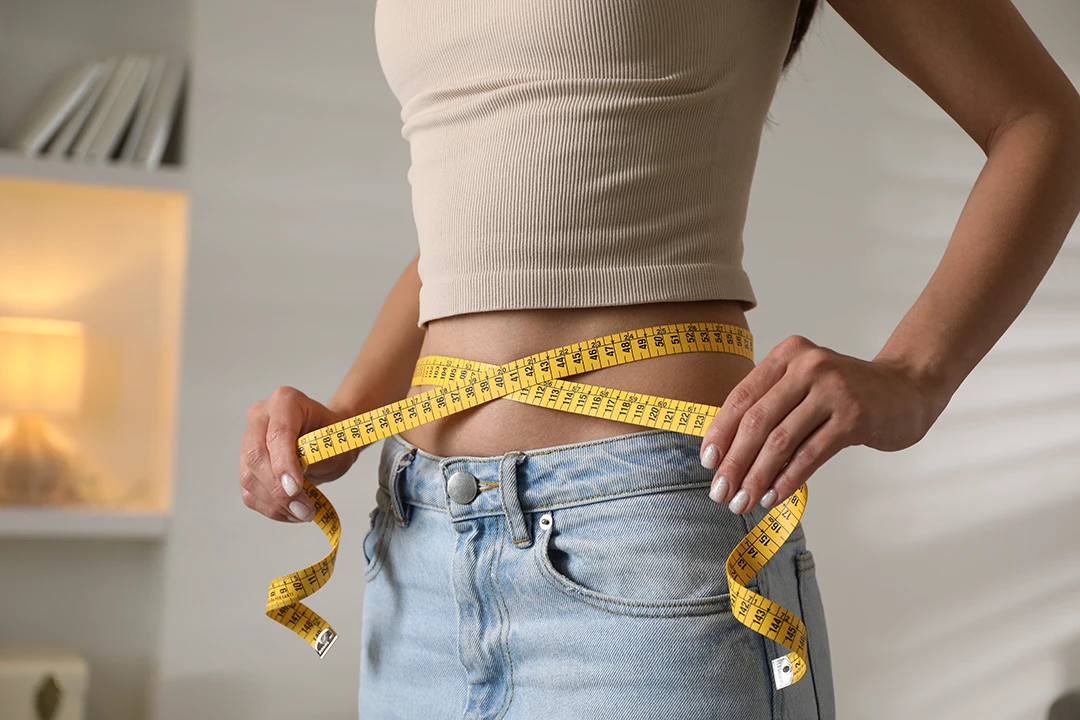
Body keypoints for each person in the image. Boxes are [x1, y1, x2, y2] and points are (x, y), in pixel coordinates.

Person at [237, 0, 1080, 717]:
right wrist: (348, 409)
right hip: (416, 551)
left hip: (642, 547)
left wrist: (916, 376)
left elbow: (1044, 122)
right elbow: (475, 234)